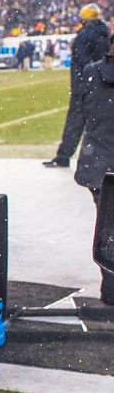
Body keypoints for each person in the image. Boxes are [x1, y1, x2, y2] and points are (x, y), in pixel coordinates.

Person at [73, 27, 114, 304]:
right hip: (101, 157)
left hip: (99, 161)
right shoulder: (92, 72)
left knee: (107, 227)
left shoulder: (92, 72)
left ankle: (110, 286)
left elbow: (81, 114)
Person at [44, 5, 111, 169]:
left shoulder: (84, 37)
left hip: (85, 86)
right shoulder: (105, 35)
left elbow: (82, 63)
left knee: (75, 121)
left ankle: (64, 155)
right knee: (102, 124)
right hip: (105, 85)